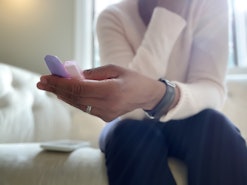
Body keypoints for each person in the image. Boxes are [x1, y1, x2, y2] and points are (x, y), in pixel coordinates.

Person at [37, 0, 247, 184]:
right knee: (128, 133)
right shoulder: (113, 17)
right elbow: (128, 109)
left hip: (190, 121)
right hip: (130, 124)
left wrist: (161, 95)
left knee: (216, 127)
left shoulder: (211, 5)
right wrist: (167, 15)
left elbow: (211, 91)